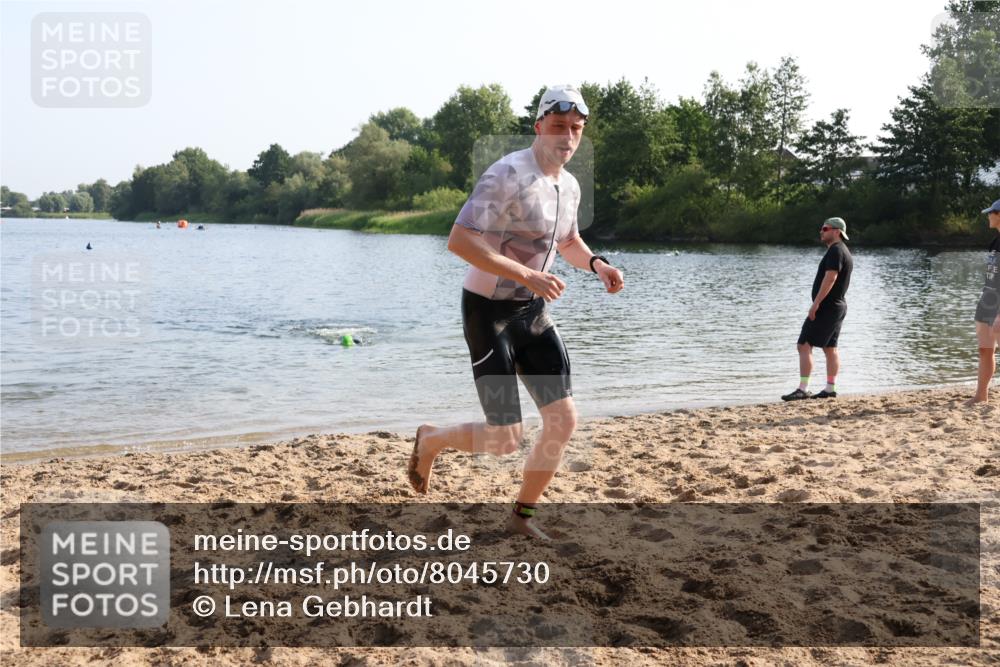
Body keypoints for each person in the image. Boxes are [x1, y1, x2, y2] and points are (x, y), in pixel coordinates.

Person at [407, 85, 624, 539]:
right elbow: (461, 240)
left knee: (563, 420)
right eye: (559, 126)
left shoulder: (569, 185)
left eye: (576, 129)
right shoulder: (506, 174)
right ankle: (431, 439)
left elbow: (566, 242)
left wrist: (597, 263)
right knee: (505, 438)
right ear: (539, 126)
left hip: (532, 312)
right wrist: (527, 276)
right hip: (488, 313)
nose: (567, 137)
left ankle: (521, 517)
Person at [782, 217, 853, 401]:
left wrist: (816, 304)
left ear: (836, 232)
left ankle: (803, 388)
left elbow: (831, 278)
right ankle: (830, 389)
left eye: (825, 228)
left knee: (804, 344)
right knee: (830, 348)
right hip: (838, 306)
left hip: (827, 307)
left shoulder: (836, 251)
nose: (821, 231)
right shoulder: (842, 251)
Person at [966, 199, 1000, 404]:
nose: (988, 216)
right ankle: (981, 396)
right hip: (988, 300)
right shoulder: (995, 241)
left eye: (991, 213)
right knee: (984, 348)